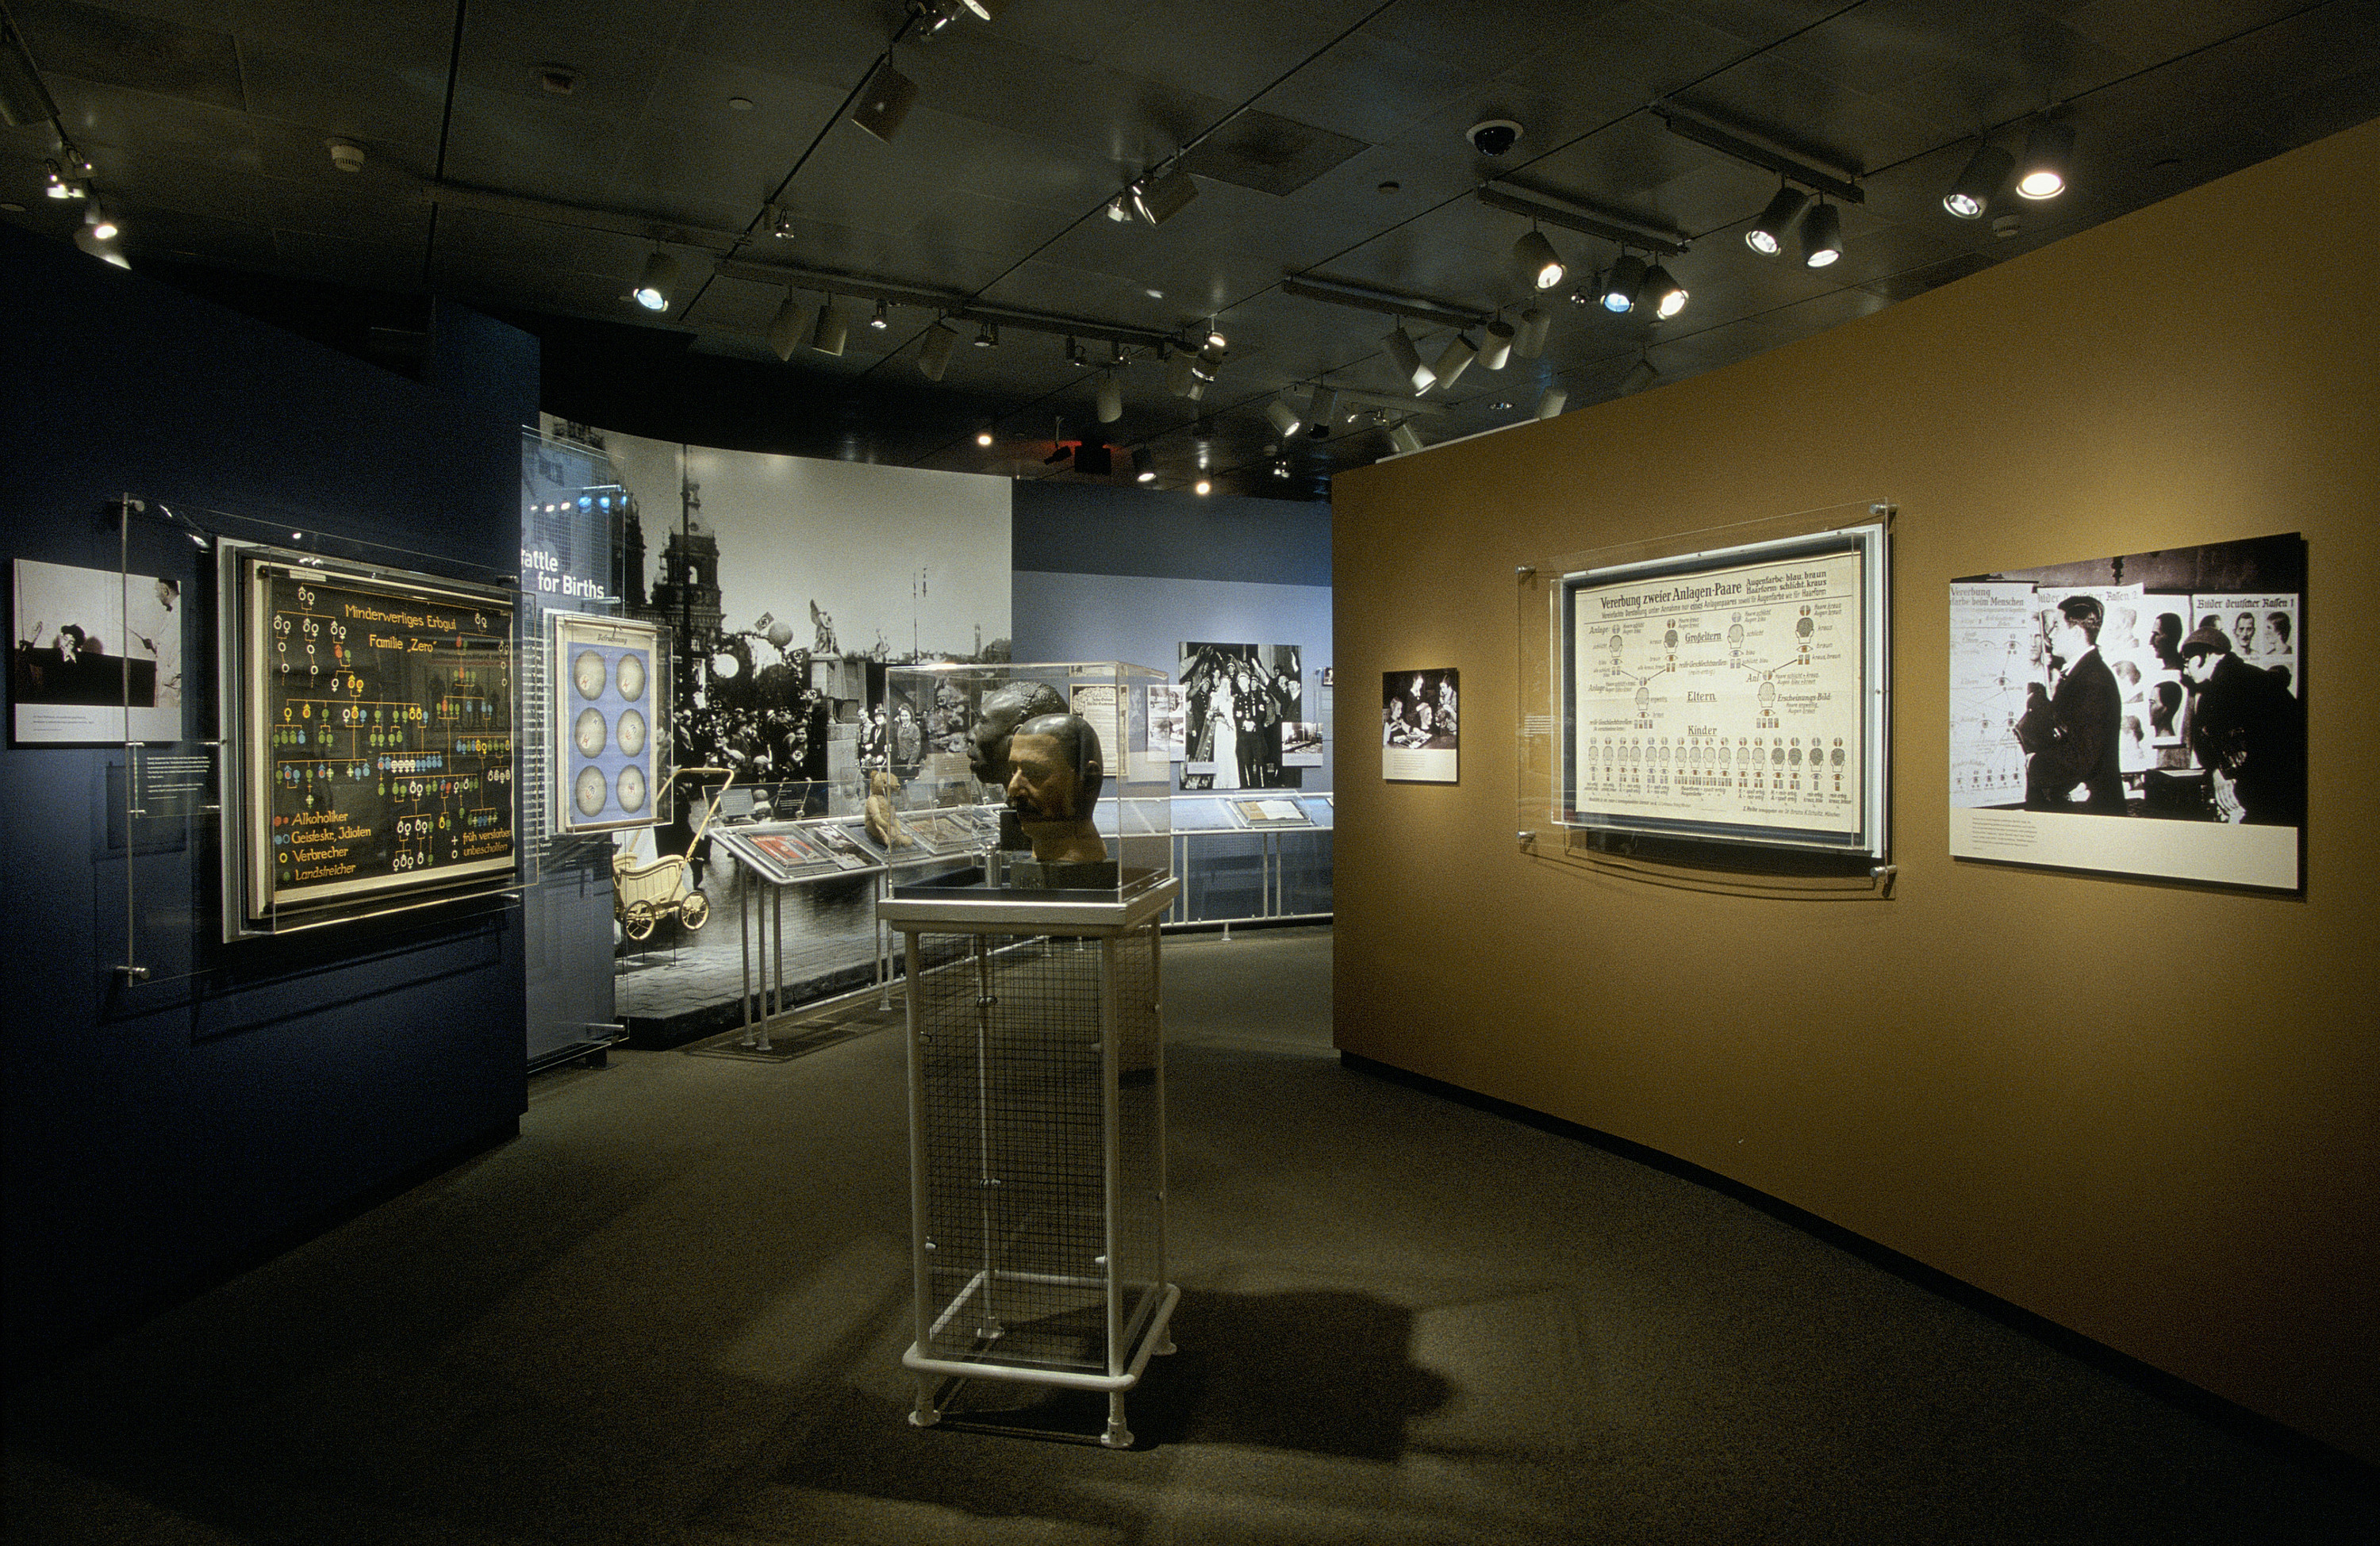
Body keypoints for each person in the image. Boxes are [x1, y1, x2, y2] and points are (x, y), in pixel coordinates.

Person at [2180, 623, 2304, 825]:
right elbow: (2206, 740)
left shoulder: (2244, 685)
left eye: (2187, 663)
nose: (2185, 672)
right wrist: (2217, 772)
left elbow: (2273, 750)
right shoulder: (2229, 683)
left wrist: (2225, 777)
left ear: (2208, 655)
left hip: (2271, 801)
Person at [2013, 594, 2125, 813]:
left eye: (2057, 627)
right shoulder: (2083, 673)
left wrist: (2034, 762)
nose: (2050, 635)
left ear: (2075, 632)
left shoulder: (2092, 679)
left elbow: (2083, 755)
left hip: (2092, 812)